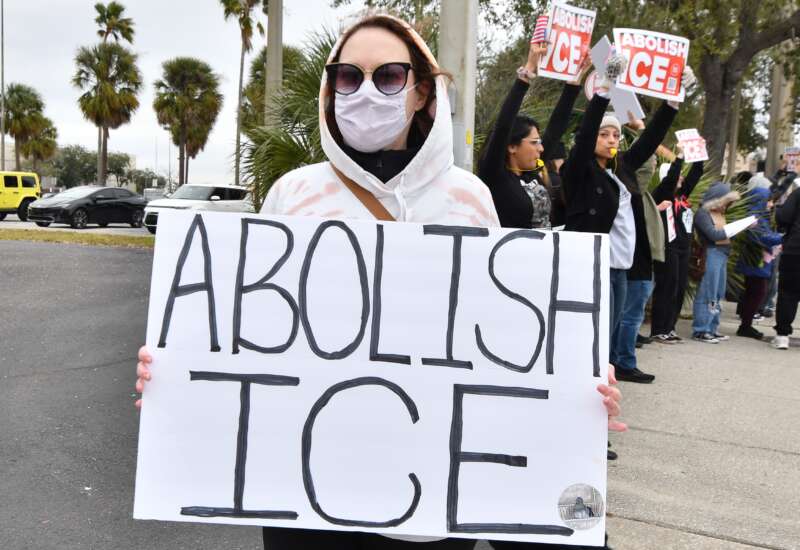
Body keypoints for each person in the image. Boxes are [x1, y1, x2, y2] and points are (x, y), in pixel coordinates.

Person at [134, 14, 626, 550]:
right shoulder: (293, 194)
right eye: (348, 76)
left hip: (430, 503)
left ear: (421, 93)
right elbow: (250, 335)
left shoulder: (467, 199)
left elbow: (508, 343)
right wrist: (178, 372)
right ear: (330, 88)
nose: (365, 91)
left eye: (388, 76)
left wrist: (577, 392)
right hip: (307, 500)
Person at [561, 53, 694, 384]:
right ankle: (587, 413)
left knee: (607, 342)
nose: (610, 141)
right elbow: (583, 136)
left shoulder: (622, 169)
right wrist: (605, 89)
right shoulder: (580, 171)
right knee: (593, 343)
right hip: (593, 265)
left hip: (621, 267)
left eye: (615, 136)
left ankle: (598, 404)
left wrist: (673, 102)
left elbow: (648, 142)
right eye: (604, 135)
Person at [478, 40, 590, 229]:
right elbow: (503, 125)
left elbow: (555, 130)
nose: (542, 148)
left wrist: (574, 81)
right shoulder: (495, 175)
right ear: (512, 146)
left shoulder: (531, 172)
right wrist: (528, 71)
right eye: (534, 142)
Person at [650, 148, 704, 342]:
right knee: (667, 286)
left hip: (683, 248)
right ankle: (659, 328)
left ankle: (670, 327)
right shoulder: (662, 194)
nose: (681, 178)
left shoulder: (682, 197)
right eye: (678, 175)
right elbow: (671, 179)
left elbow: (696, 174)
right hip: (668, 247)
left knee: (679, 287)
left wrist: (698, 154)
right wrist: (679, 157)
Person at [691, 182, 742, 343]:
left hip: (721, 254)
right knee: (708, 292)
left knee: (717, 293)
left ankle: (712, 327)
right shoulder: (703, 213)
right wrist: (734, 228)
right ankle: (701, 329)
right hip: (711, 253)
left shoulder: (717, 213)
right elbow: (713, 234)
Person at [735, 187, 782, 339]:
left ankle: (746, 323)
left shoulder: (758, 216)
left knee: (752, 293)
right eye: (768, 200)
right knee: (757, 292)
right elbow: (762, 237)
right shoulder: (754, 217)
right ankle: (745, 326)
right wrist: (783, 238)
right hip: (754, 261)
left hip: (755, 260)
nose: (770, 204)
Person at [773, 180, 800, 349]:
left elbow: (783, 216)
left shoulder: (798, 193)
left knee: (788, 293)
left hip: (795, 249)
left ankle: (783, 335)